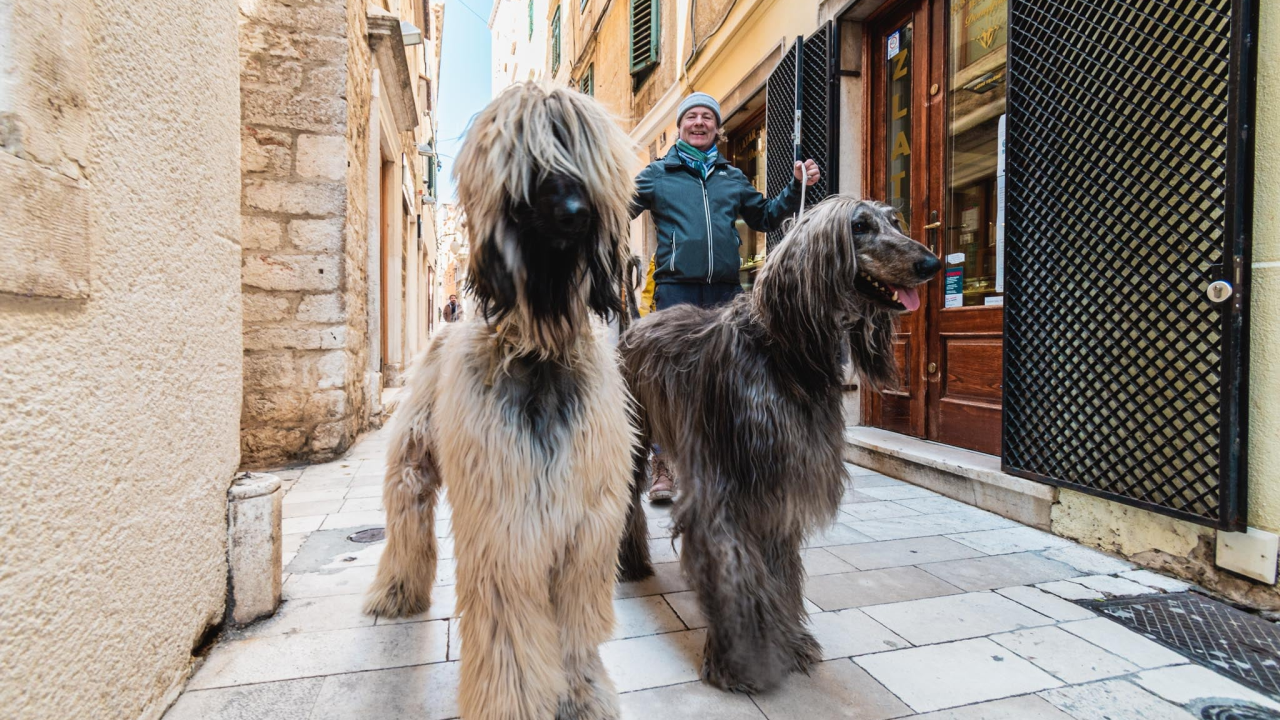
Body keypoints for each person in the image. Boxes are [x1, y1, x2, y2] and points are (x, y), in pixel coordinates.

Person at [631, 91, 821, 502]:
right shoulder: (657, 174)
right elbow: (615, 208)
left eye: (707, 117)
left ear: (717, 128)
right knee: (669, 382)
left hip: (726, 296)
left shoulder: (731, 177)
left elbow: (766, 216)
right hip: (676, 291)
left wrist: (796, 186)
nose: (699, 123)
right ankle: (663, 467)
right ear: (680, 126)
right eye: (691, 117)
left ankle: (722, 465)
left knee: (728, 379)